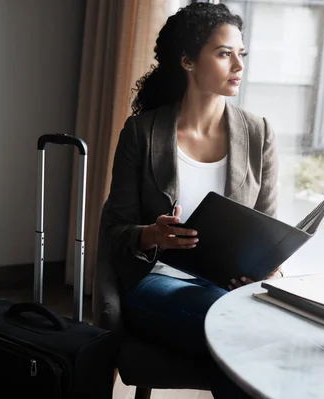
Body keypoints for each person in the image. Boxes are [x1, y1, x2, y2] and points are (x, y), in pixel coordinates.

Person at [98, 3, 282, 398]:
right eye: (223, 53)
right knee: (242, 332)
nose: (239, 64)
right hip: (153, 282)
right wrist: (151, 235)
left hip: (231, 289)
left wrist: (267, 271)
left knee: (251, 339)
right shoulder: (141, 133)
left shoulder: (258, 134)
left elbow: (269, 228)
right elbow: (114, 229)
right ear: (187, 60)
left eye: (241, 53)